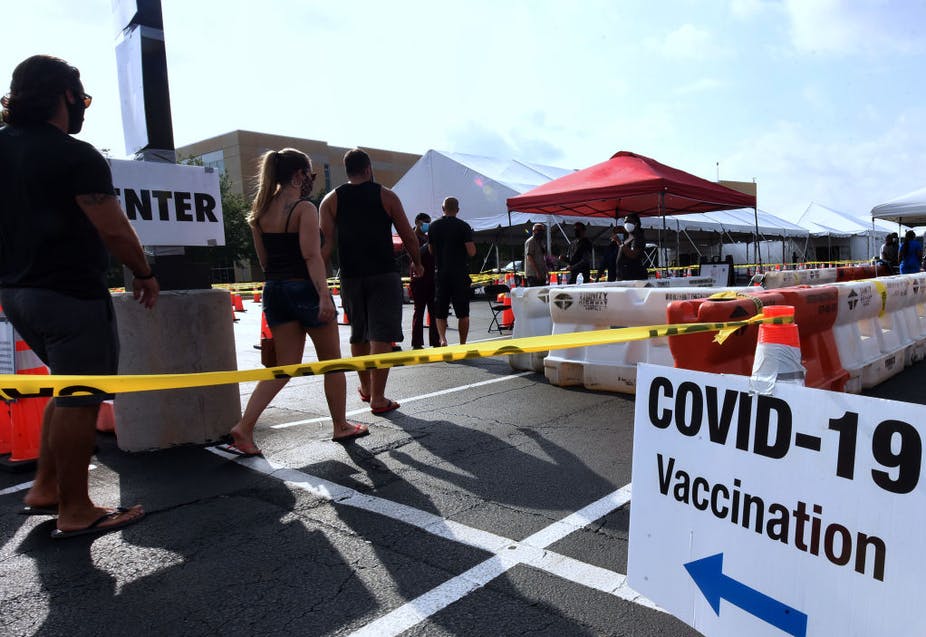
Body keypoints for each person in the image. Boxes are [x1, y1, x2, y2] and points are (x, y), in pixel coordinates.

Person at [0, 55, 158, 538]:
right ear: (65, 96)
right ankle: (77, 510)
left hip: (15, 294)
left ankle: (46, 487)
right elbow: (113, 227)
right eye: (82, 98)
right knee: (81, 396)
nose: (83, 107)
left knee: (63, 387)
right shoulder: (73, 154)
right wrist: (144, 272)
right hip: (69, 293)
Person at [226, 149, 367, 453]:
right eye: (309, 174)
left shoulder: (260, 211)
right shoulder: (303, 208)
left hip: (274, 290)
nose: (310, 180)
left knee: (284, 366)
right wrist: (324, 296)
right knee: (332, 363)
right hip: (304, 288)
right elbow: (311, 255)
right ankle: (341, 425)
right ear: (298, 175)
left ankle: (244, 426)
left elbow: (264, 261)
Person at [320, 149, 421, 416]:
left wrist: (319, 279)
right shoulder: (386, 195)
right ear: (368, 169)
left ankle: (365, 388)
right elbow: (407, 235)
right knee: (382, 334)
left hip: (351, 275)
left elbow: (326, 244)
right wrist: (418, 263)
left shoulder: (330, 200)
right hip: (383, 273)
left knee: (359, 332)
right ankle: (378, 397)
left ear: (347, 170)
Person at [428, 197, 476, 346]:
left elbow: (431, 251)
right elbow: (471, 251)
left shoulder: (433, 226)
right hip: (459, 273)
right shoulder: (464, 227)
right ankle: (462, 343)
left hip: (442, 273)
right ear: (458, 210)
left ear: (443, 209)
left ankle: (443, 339)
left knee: (440, 311)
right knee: (463, 313)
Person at [409, 213, 439, 349]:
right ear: (417, 222)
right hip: (418, 280)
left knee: (434, 312)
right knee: (419, 311)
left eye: (429, 222)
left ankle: (435, 341)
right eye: (425, 222)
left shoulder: (429, 237)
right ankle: (416, 342)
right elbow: (413, 253)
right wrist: (428, 244)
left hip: (431, 279)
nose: (427, 224)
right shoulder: (410, 237)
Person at [616, 213, 649, 281]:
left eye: (629, 221)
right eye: (625, 222)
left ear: (636, 223)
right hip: (625, 275)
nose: (626, 224)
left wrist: (619, 242)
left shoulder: (638, 237)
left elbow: (633, 254)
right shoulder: (628, 236)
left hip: (634, 276)